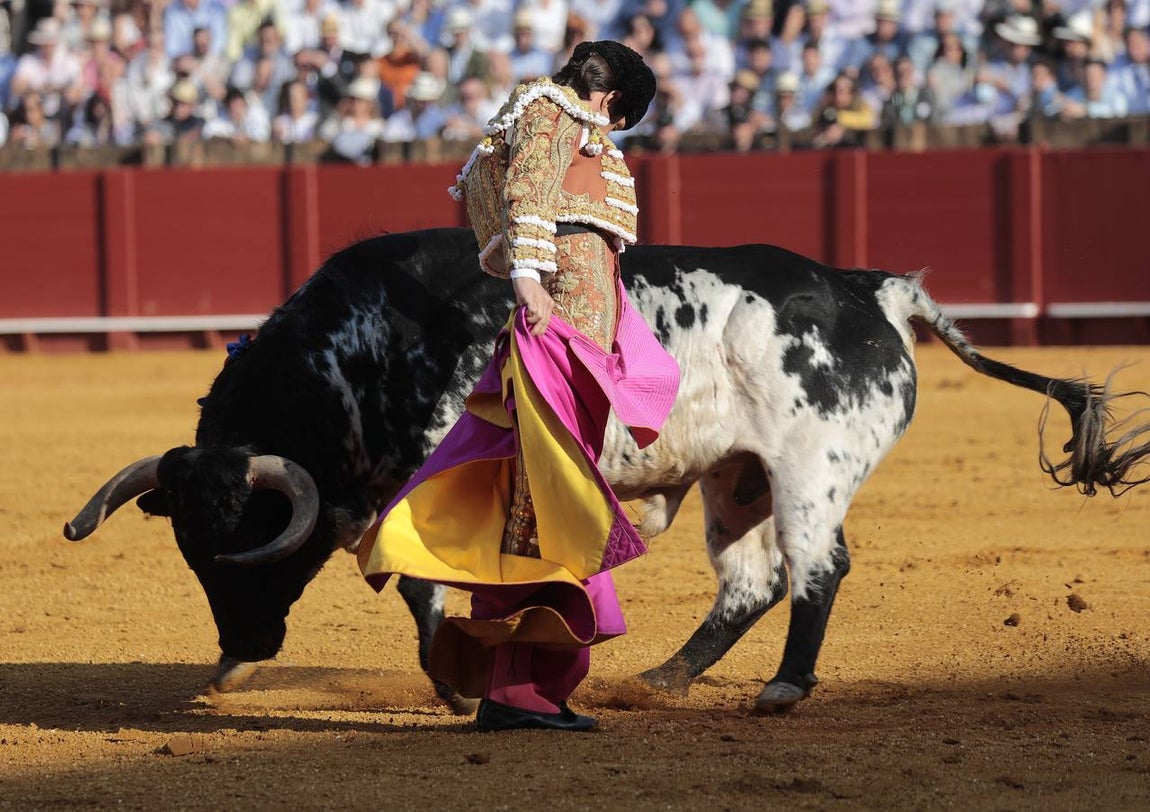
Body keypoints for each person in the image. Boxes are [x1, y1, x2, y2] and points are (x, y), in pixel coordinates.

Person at [356, 40, 678, 732]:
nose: (614, 134)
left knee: (544, 495)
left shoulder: (536, 114)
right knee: (545, 499)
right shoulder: (550, 111)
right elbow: (525, 194)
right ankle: (516, 692)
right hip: (557, 334)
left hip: (575, 341)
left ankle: (527, 685)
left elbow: (495, 197)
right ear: (609, 101)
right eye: (622, 121)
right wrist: (532, 282)